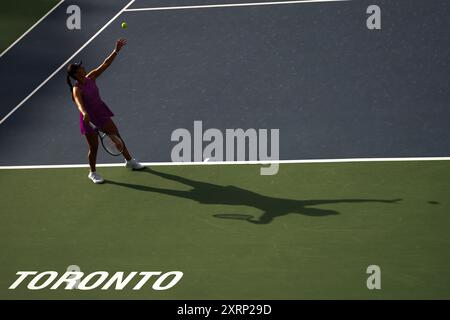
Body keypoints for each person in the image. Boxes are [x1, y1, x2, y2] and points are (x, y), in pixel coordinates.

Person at [66, 38, 144, 184]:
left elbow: (105, 64)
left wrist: (116, 51)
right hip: (88, 119)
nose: (84, 68)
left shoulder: (91, 77)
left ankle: (130, 161)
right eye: (80, 68)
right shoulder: (77, 89)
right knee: (94, 148)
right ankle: (93, 172)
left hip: (101, 114)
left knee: (117, 137)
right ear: (76, 74)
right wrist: (84, 113)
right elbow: (78, 103)